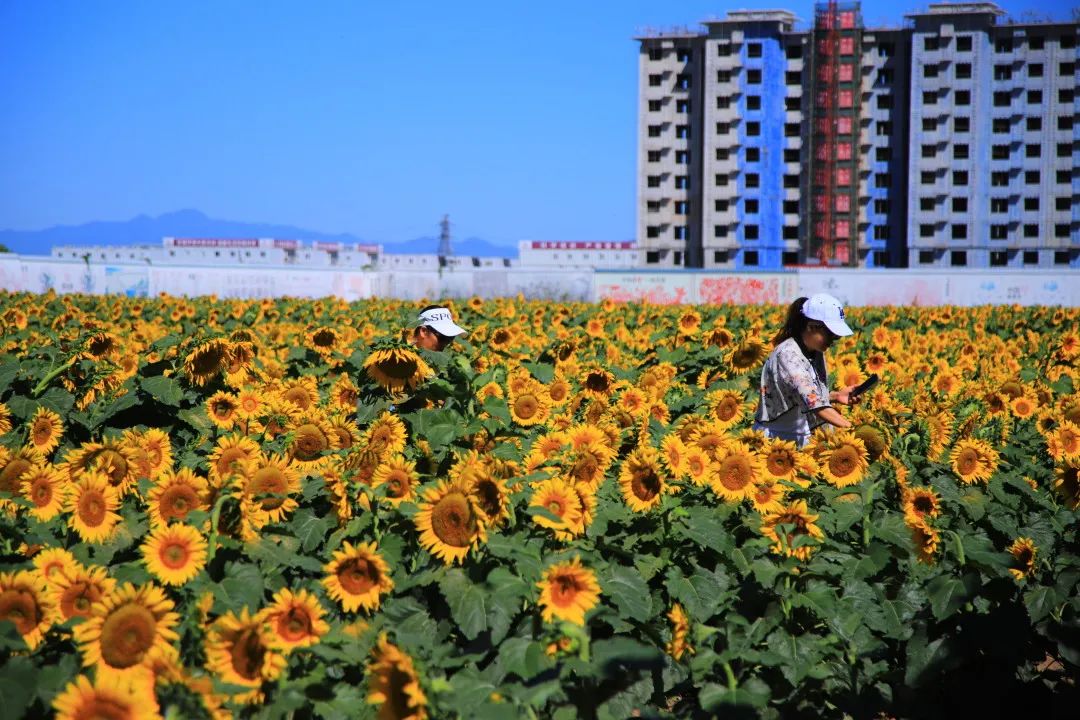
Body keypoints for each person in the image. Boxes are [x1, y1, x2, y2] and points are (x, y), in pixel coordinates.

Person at [751, 293, 861, 448]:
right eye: (830, 333)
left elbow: (802, 395)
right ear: (812, 326)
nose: (833, 339)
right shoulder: (787, 354)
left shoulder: (815, 352)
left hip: (803, 437)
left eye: (836, 336)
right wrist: (853, 430)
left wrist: (836, 396)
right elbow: (813, 403)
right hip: (775, 441)